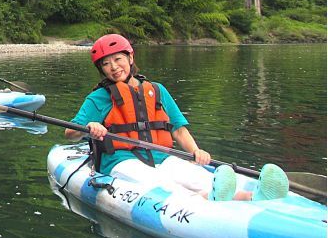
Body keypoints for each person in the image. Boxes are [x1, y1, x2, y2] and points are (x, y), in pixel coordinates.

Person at [64, 33, 289, 201]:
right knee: (162, 185)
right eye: (105, 64)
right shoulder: (99, 97)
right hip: (121, 161)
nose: (113, 67)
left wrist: (196, 152)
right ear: (101, 70)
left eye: (118, 59)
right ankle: (221, 199)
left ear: (130, 57)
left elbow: (178, 129)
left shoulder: (156, 90)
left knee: (195, 176)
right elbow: (70, 133)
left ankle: (253, 195)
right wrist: (90, 126)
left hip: (161, 156)